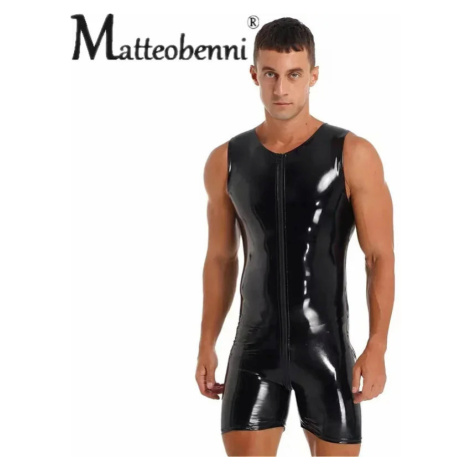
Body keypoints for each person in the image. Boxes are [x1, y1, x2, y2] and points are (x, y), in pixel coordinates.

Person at [196, 17, 394, 457]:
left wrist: (377, 345)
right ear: (254, 75)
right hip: (253, 351)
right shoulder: (226, 160)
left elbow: (379, 256)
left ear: (313, 76)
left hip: (326, 351)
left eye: (294, 74)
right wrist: (207, 343)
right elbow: (221, 259)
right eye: (270, 74)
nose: (281, 88)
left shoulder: (353, 153)